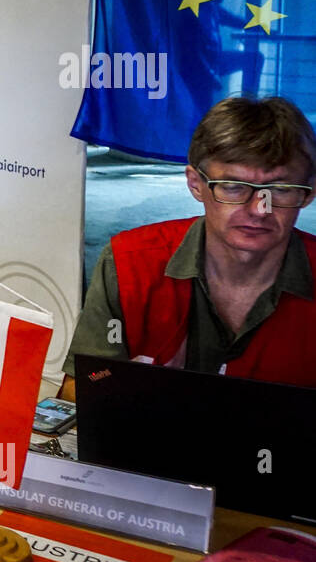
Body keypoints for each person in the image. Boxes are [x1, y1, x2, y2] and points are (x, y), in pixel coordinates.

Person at [60, 97, 316, 399]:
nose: (260, 209)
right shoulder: (130, 263)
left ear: (309, 192)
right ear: (195, 184)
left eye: (281, 189)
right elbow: (82, 385)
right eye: (233, 186)